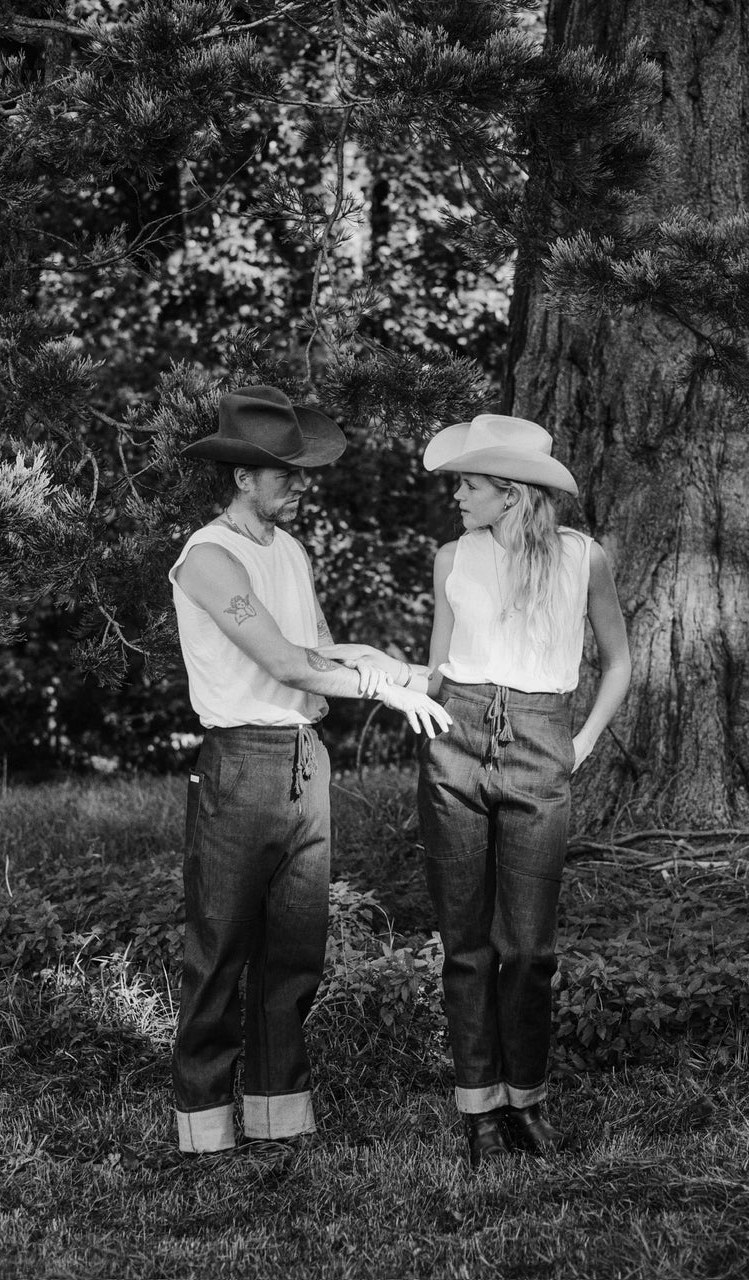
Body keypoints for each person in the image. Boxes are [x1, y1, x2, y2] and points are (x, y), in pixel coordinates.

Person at [327, 413, 631, 1168]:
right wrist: (368, 669)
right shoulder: (450, 559)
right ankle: (480, 1110)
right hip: (454, 743)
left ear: (511, 492)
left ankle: (526, 1096)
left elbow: (620, 662)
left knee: (528, 949)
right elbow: (436, 670)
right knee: (465, 945)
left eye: (468, 483)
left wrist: (578, 745)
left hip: (540, 744)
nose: (456, 495)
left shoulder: (583, 559)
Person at [169, 384, 451, 1156]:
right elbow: (286, 662)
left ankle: (278, 1115)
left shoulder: (290, 551)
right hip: (240, 765)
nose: (299, 483)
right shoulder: (208, 559)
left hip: (304, 763)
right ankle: (202, 1129)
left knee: (295, 950)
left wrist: (412, 671)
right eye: (285, 473)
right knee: (220, 948)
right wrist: (380, 689)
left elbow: (320, 651)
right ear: (242, 478)